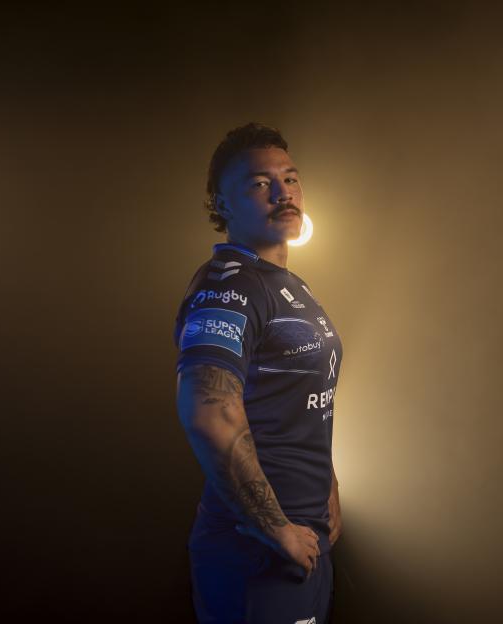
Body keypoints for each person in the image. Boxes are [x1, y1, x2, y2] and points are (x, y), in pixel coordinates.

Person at [174, 123, 342, 624]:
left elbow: (302, 401)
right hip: (256, 550)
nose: (282, 192)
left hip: (305, 538)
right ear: (221, 205)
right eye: (258, 183)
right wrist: (275, 529)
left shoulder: (287, 284)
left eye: (290, 179)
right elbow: (208, 414)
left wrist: (328, 487)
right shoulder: (227, 286)